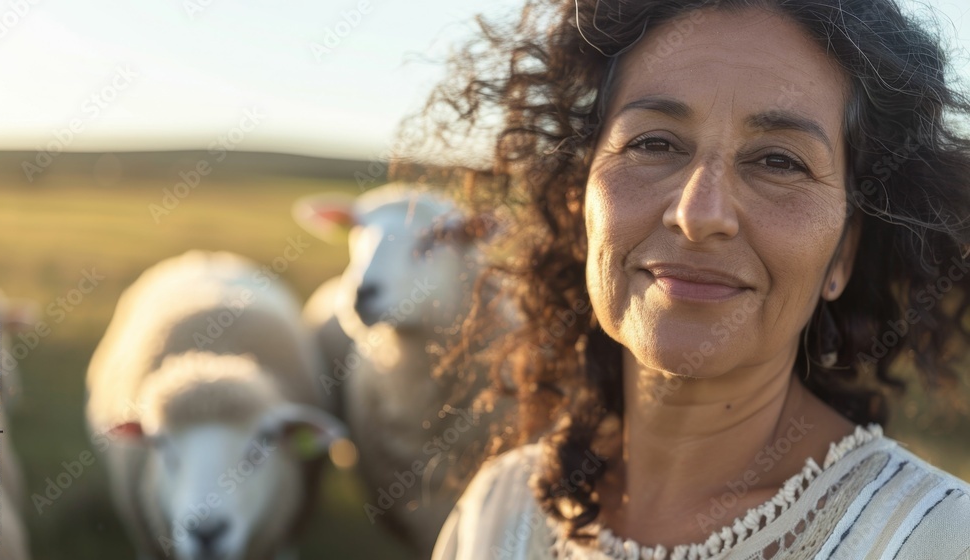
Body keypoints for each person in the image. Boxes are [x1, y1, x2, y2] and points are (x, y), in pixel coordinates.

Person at [414, 0, 970, 558]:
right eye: (654, 143)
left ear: (843, 252)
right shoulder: (497, 514)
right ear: (578, 203)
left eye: (778, 161)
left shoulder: (936, 540)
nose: (699, 213)